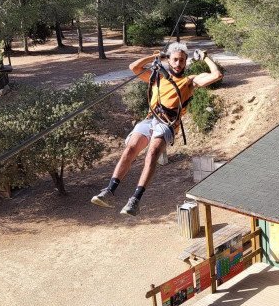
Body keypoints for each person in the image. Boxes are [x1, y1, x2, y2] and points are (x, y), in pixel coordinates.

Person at [92, 42, 222, 216]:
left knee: (152, 154)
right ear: (168, 60)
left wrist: (205, 58)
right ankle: (109, 190)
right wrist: (155, 57)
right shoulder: (157, 77)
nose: (178, 64)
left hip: (167, 124)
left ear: (185, 62)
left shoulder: (189, 81)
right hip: (150, 119)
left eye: (182, 61)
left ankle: (135, 200)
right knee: (130, 148)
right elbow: (134, 67)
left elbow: (216, 75)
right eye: (175, 60)